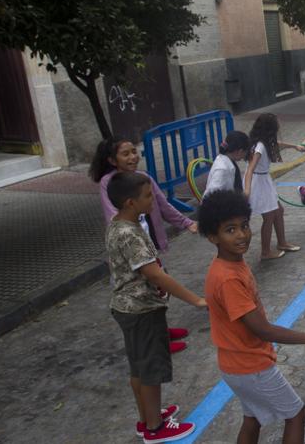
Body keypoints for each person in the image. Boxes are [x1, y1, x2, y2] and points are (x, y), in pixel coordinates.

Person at [198, 190, 305, 444]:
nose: (241, 234)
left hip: (234, 365)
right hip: (250, 366)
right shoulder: (228, 278)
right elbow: (263, 330)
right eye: (230, 230)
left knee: (253, 418)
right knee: (296, 414)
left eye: (245, 226)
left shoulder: (229, 264)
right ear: (212, 236)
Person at [105, 171, 206, 443]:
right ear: (129, 202)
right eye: (148, 196)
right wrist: (195, 299)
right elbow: (155, 274)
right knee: (150, 370)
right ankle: (155, 427)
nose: (153, 200)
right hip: (141, 310)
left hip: (129, 308)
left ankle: (147, 417)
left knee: (138, 368)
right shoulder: (129, 233)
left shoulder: (119, 224)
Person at [92, 138, 198, 353]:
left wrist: (186, 222)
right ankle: (154, 342)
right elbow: (113, 215)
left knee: (156, 291)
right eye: (126, 154)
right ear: (112, 160)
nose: (133, 157)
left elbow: (163, 205)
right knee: (146, 289)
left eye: (134, 151)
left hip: (146, 243)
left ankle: (161, 330)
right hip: (132, 249)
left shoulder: (144, 178)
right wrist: (197, 300)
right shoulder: (111, 184)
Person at [244, 113, 305, 259]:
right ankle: (265, 252)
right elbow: (251, 169)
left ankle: (282, 242)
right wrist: (247, 190)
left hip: (263, 180)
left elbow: (278, 144)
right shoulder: (259, 146)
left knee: (278, 211)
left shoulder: (264, 141)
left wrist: (295, 146)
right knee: (269, 216)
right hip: (259, 182)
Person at [204, 131, 250, 196]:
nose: (245, 155)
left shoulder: (227, 161)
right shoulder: (222, 169)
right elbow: (211, 194)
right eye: (246, 152)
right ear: (240, 151)